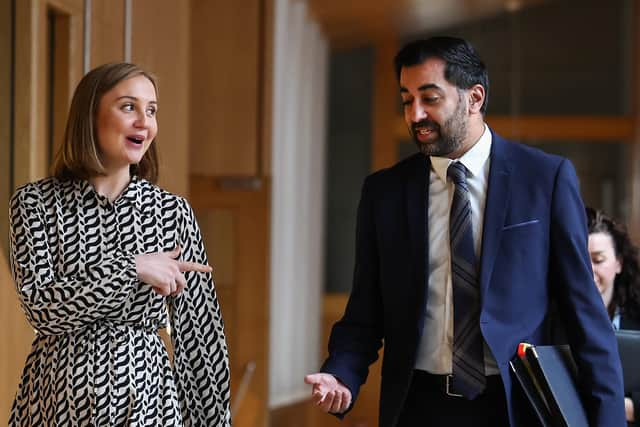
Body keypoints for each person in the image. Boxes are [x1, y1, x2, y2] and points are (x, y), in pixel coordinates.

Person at [304, 36, 625, 426]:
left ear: (474, 97)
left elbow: (585, 317)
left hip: (516, 406)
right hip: (418, 407)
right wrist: (342, 375)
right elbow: (364, 313)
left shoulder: (545, 179)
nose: (415, 114)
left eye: (430, 98)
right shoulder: (384, 193)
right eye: (407, 100)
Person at [8, 63, 231, 426]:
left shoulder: (171, 212)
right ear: (90, 115)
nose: (145, 121)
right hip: (53, 404)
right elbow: (42, 310)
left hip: (148, 405)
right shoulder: (35, 204)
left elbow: (201, 340)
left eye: (152, 110)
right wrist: (133, 268)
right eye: (129, 107)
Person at [587, 206, 640, 423]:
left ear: (618, 262)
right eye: (581, 260)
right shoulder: (551, 321)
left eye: (598, 260)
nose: (588, 271)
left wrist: (628, 407)